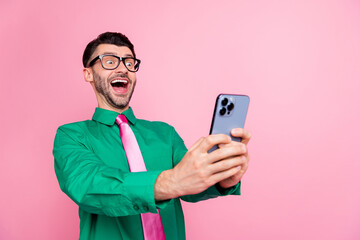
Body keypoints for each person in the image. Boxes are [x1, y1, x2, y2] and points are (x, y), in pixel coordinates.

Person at [53, 32, 251, 240]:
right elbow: (89, 186)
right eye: (109, 61)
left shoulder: (165, 133)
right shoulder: (71, 135)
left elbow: (191, 183)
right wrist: (171, 181)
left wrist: (223, 178)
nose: (122, 69)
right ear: (89, 74)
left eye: (129, 63)